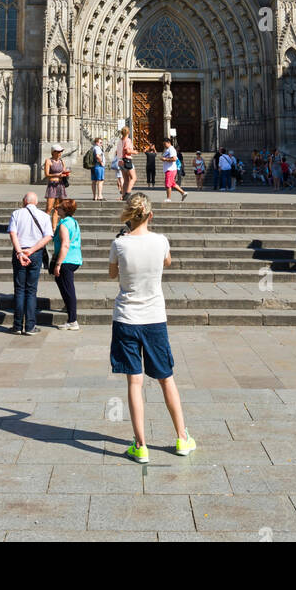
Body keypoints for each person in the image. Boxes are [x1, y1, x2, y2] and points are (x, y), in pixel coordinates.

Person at [108, 192, 196, 462]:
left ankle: (141, 445)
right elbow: (166, 262)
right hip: (155, 318)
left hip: (126, 319)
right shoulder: (161, 241)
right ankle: (182, 438)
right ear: (151, 215)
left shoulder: (119, 244)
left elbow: (113, 274)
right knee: (166, 378)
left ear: (129, 215)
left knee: (134, 382)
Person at [7, 191, 53, 335]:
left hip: (20, 253)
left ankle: (17, 325)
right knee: (31, 291)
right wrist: (31, 250)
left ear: (24, 201)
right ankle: (30, 326)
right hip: (35, 253)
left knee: (19, 290)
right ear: (36, 202)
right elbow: (48, 236)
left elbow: (12, 233)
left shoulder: (16, 214)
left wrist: (20, 252)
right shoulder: (45, 216)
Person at [52, 197, 83, 330]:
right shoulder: (73, 222)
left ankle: (72, 320)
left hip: (66, 259)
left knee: (68, 288)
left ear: (64, 210)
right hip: (74, 258)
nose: (56, 209)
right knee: (63, 284)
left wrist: (58, 264)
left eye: (59, 207)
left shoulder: (64, 224)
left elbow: (65, 244)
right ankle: (69, 307)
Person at [43, 145, 69, 226]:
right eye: (58, 151)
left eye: (60, 151)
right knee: (49, 208)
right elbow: (47, 174)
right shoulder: (48, 161)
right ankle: (44, 225)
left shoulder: (62, 161)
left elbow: (64, 171)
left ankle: (54, 227)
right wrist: (57, 175)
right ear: (53, 152)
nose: (60, 153)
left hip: (60, 185)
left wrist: (66, 174)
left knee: (57, 208)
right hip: (52, 185)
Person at [162, 138, 187, 203]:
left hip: (170, 169)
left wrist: (165, 159)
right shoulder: (167, 150)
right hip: (168, 169)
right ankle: (183, 193)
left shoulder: (171, 149)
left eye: (165, 144)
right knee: (172, 184)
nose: (164, 145)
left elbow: (174, 158)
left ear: (168, 142)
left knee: (168, 184)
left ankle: (168, 198)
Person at [119, 126, 136, 199]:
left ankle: (123, 195)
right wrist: (134, 152)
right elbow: (127, 150)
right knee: (134, 178)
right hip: (127, 160)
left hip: (121, 160)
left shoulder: (121, 140)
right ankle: (128, 193)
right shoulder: (128, 140)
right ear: (128, 132)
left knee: (126, 179)